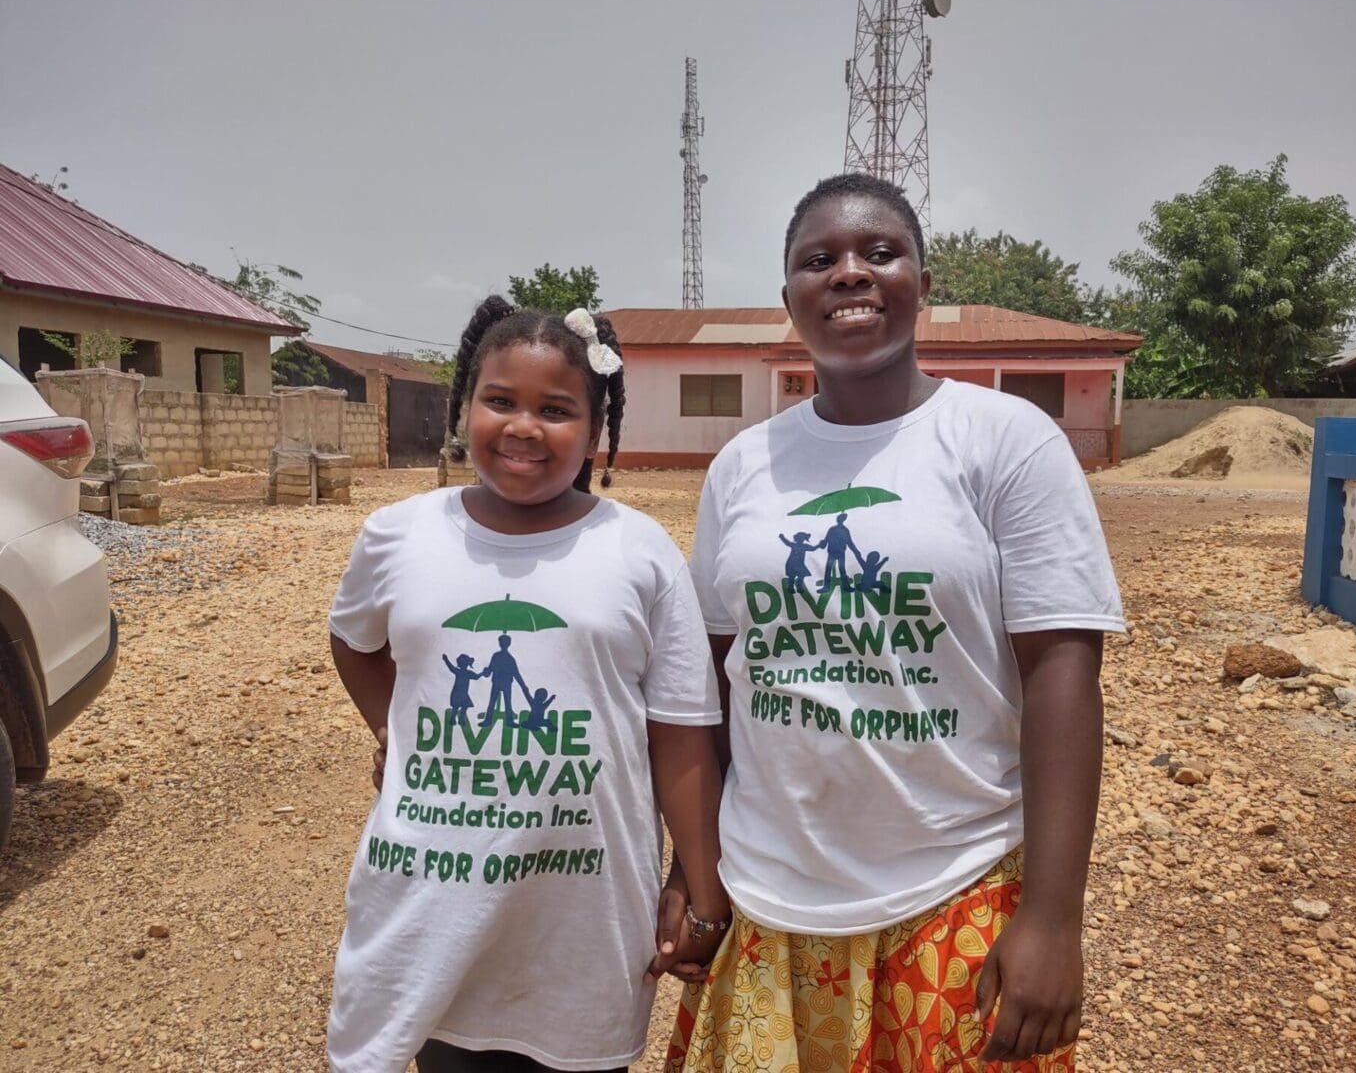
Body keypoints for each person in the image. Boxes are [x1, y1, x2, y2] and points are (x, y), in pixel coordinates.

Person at [657, 173, 1125, 1072]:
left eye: (880, 253)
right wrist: (693, 872)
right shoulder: (745, 466)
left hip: (954, 887)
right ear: (787, 294)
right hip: (768, 899)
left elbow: (1062, 671)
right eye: (817, 259)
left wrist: (1056, 918)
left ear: (921, 281)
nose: (849, 273)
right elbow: (711, 688)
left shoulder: (1003, 440)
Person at [327, 295, 730, 1073]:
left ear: (595, 427)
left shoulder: (638, 552)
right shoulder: (398, 536)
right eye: (499, 400)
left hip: (580, 923)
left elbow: (681, 734)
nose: (523, 427)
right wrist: (394, 730)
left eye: (555, 408)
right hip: (429, 912)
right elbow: (354, 642)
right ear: (463, 406)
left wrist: (704, 891)